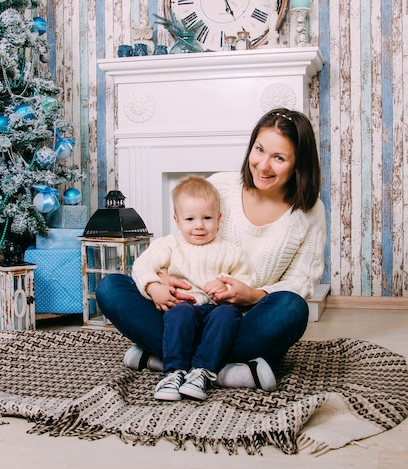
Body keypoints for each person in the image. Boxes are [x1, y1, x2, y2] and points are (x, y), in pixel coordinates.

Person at [96, 107, 326, 398]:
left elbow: (301, 282)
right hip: (183, 311)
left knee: (293, 309)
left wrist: (253, 295)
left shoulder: (309, 212)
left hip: (242, 320)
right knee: (110, 288)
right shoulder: (220, 186)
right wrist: (156, 283)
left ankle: (162, 359)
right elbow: (181, 245)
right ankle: (228, 370)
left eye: (279, 158)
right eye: (259, 150)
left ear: (298, 165)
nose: (263, 165)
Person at [129, 175, 253, 401]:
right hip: (183, 305)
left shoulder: (230, 250)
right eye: (190, 219)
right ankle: (174, 371)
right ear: (177, 221)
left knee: (228, 314)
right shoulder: (169, 245)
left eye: (207, 218)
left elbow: (247, 277)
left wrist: (225, 282)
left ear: (219, 218)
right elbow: (141, 265)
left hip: (215, 309)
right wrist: (153, 285)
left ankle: (201, 371)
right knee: (180, 314)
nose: (199, 226)